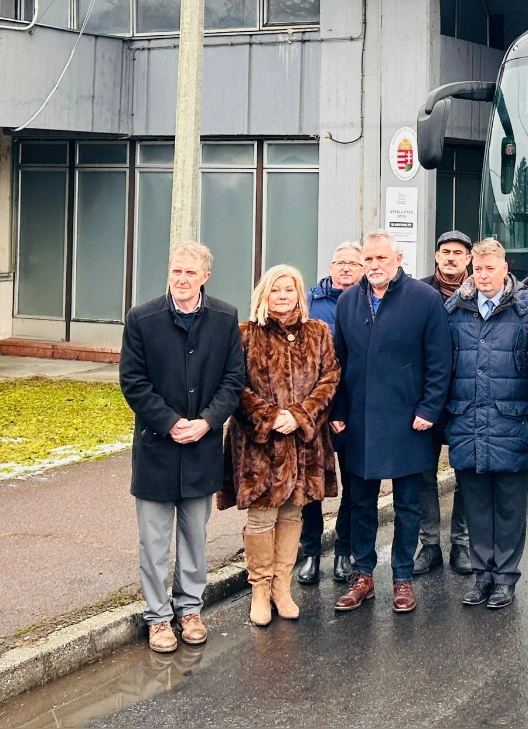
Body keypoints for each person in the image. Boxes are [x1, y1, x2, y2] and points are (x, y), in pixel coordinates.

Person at [119, 241, 245, 653]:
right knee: (154, 542)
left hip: (201, 448)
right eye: (177, 271)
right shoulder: (142, 318)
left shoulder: (225, 318)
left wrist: (207, 421)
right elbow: (133, 382)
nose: (182, 279)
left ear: (206, 276)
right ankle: (158, 617)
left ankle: (190, 610)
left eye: (191, 272)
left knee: (194, 537)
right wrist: (170, 422)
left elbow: (233, 380)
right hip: (156, 447)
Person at [330, 231, 452, 614]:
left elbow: (440, 362)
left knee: (408, 505)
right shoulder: (348, 302)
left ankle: (402, 577)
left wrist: (429, 409)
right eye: (368, 259)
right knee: (361, 503)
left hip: (409, 420)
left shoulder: (424, 299)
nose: (374, 265)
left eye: (381, 258)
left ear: (398, 259)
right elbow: (337, 363)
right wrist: (337, 411)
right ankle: (363, 576)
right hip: (360, 420)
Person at [218, 265, 341, 626]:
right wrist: (270, 417)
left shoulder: (318, 332)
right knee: (261, 516)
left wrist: (300, 415)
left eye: (289, 290)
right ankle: (259, 588)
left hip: (303, 443)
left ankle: (281, 587)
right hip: (259, 445)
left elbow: (330, 378)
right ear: (264, 295)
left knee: (292, 513)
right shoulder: (245, 334)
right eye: (276, 290)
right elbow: (234, 385)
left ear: (299, 294)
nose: (283, 296)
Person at [444, 239, 528, 609]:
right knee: (476, 506)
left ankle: (505, 577)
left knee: (509, 508)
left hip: (513, 421)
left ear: (505, 269)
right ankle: (482, 576)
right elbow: (443, 367)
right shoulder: (455, 310)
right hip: (467, 420)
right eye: (478, 269)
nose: (483, 276)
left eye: (491, 268)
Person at [297, 242, 363, 586]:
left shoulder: (369, 301)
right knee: (312, 483)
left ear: (363, 269)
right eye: (341, 262)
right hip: (314, 407)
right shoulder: (309, 301)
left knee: (354, 482)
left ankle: (343, 550)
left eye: (354, 263)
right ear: (331, 267)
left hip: (353, 406)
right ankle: (310, 551)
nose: (347, 268)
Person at [414, 230, 475, 576]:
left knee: (465, 472)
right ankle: (430, 545)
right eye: (445, 252)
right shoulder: (418, 293)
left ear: (468, 259)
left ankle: (461, 544)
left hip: (465, 399)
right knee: (424, 474)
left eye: (458, 253)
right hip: (425, 400)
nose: (451, 258)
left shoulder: (479, 292)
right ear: (436, 256)